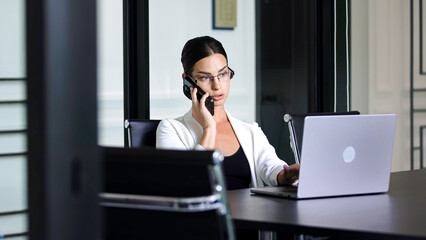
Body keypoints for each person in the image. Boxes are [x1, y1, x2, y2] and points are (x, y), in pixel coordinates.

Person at [156, 36, 299, 190]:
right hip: (204, 214)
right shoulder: (171, 129)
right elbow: (184, 183)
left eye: (223, 74)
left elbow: (272, 167)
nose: (217, 85)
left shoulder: (250, 131)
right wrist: (209, 129)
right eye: (205, 77)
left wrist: (287, 175)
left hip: (249, 213)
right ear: (187, 81)